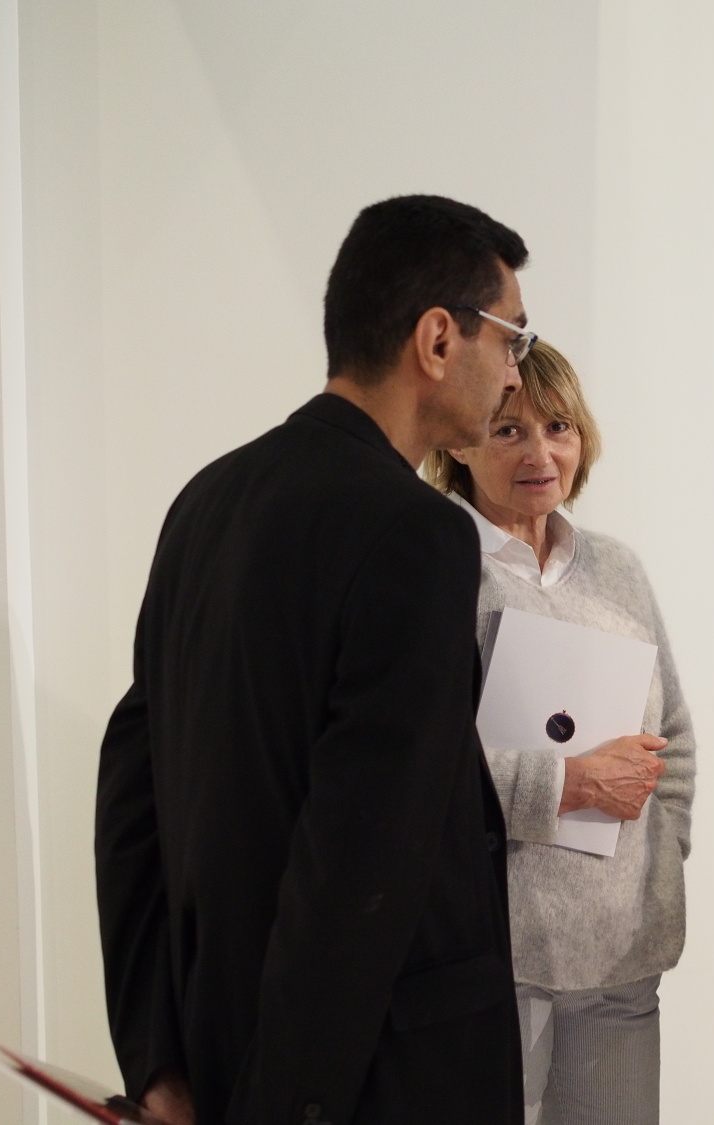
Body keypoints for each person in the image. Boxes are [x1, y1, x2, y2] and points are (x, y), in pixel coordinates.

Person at [94, 194, 534, 1125]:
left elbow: (131, 797)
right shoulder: (418, 534)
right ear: (438, 338)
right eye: (512, 339)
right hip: (364, 1085)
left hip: (217, 1051)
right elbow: (360, 864)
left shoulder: (207, 501)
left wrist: (157, 1062)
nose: (513, 374)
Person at [421, 339, 695, 1125]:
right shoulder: (437, 567)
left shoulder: (616, 567)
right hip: (490, 960)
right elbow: (423, 764)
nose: (540, 453)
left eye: (558, 427)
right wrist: (567, 784)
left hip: (620, 962)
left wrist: (658, 865)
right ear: (460, 442)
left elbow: (673, 736)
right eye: (508, 429)